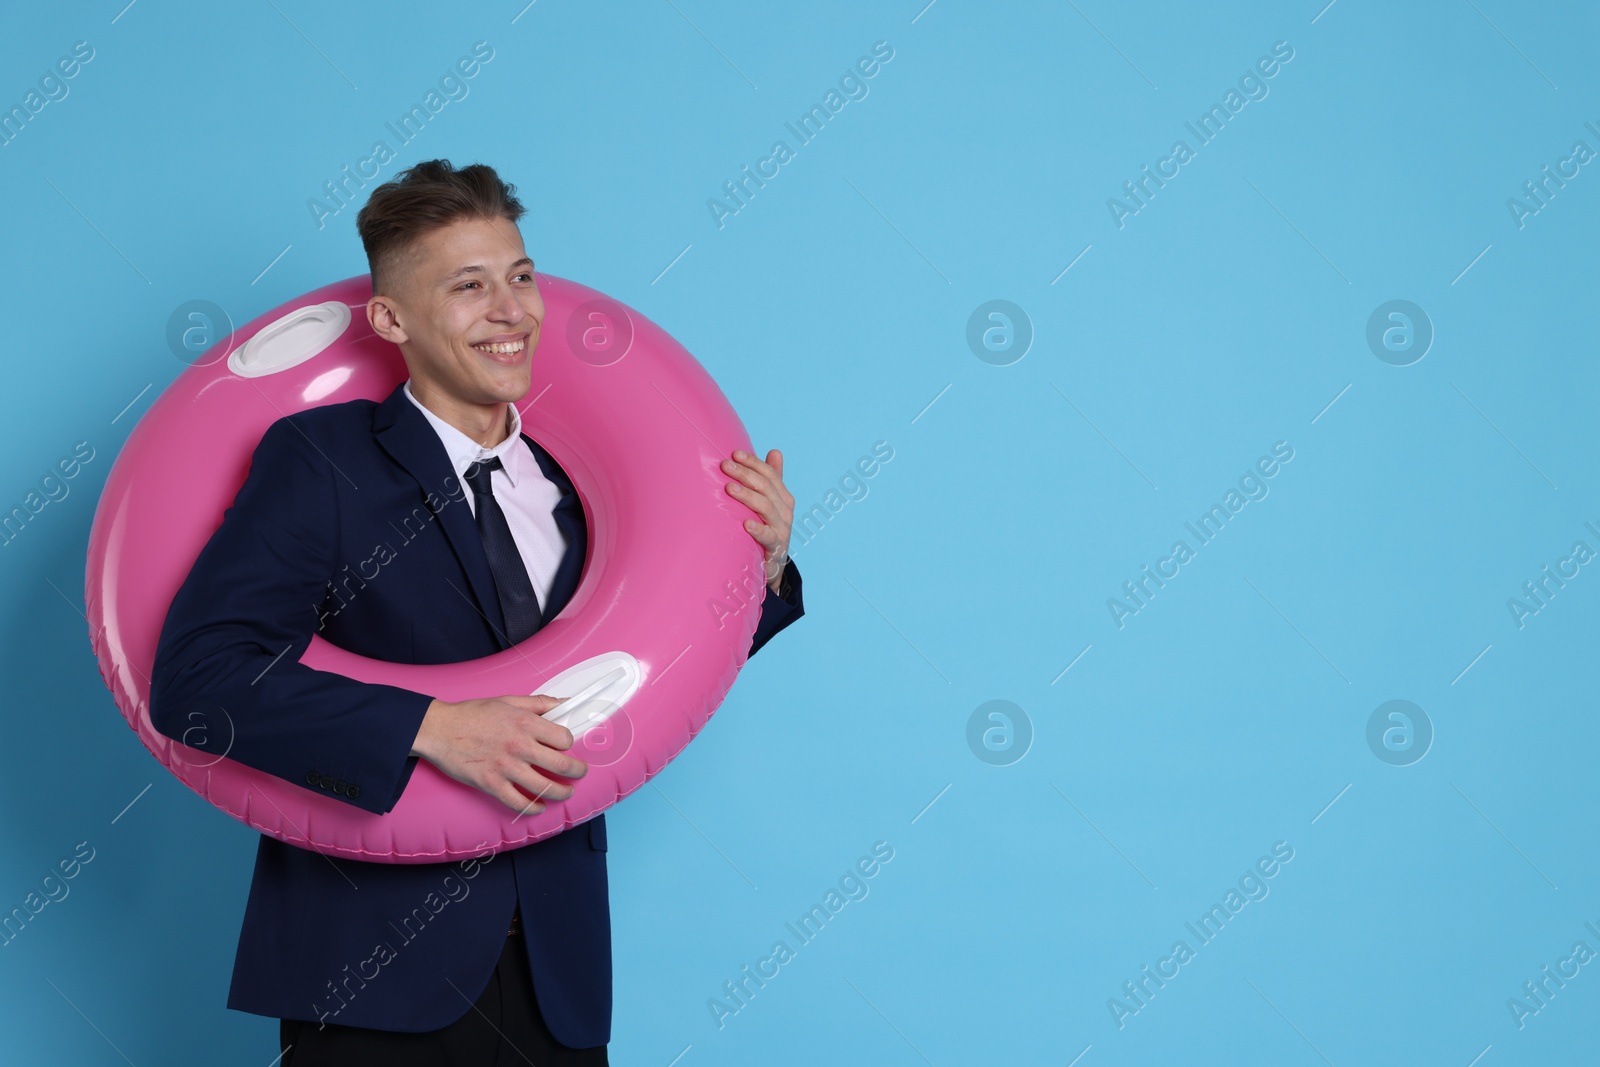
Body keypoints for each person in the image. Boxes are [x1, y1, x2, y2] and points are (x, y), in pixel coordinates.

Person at [148, 159, 804, 1065]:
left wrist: (757, 568)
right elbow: (198, 680)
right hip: (370, 978)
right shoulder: (322, 461)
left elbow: (652, 669)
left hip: (556, 980)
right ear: (391, 319)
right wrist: (429, 726)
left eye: (521, 276)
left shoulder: (591, 490)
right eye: (469, 286)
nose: (512, 310)